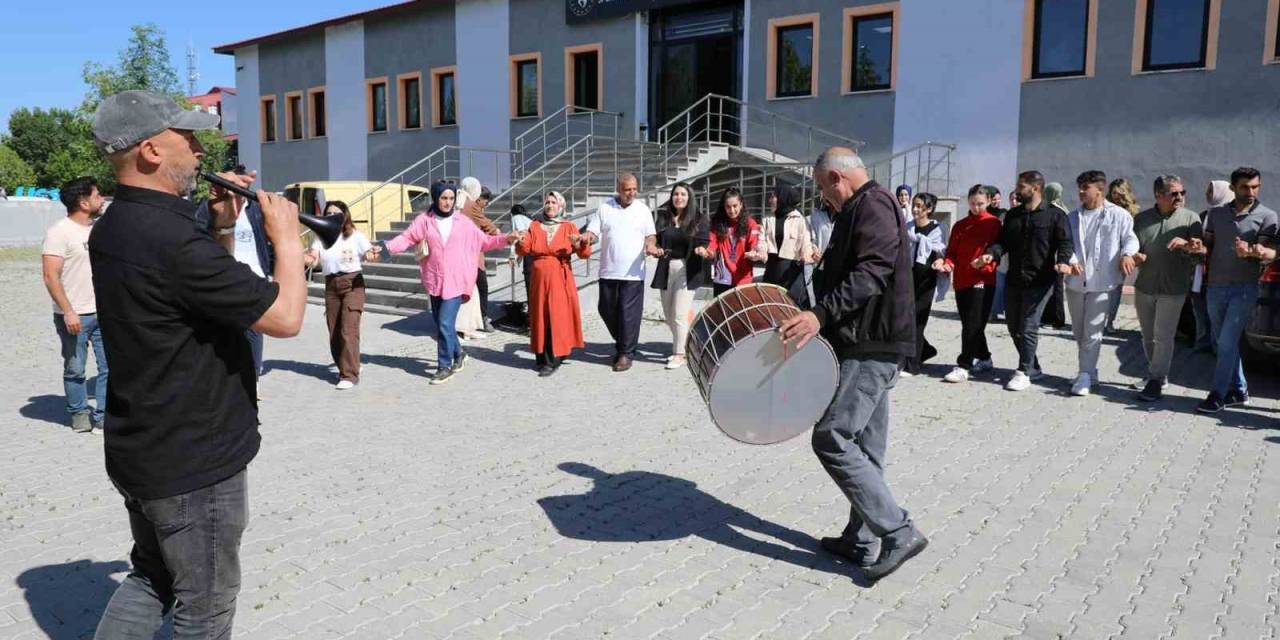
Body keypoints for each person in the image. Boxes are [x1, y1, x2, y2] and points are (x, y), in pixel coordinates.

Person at [87, 90, 306, 638]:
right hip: (195, 463)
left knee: (150, 579)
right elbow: (283, 318)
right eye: (187, 138)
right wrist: (287, 240)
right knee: (204, 607)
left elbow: (199, 300)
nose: (201, 152)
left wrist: (225, 231)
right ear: (151, 151)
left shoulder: (116, 225)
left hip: (146, 448)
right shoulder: (173, 239)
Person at [779, 146, 926, 582]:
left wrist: (820, 314)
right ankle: (860, 538)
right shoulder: (865, 206)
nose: (827, 200)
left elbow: (871, 272)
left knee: (832, 437)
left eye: (825, 190)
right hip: (869, 342)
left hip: (871, 344)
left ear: (838, 179)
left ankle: (898, 531)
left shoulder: (873, 205)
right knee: (866, 447)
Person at [371, 181, 518, 385]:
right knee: (442, 323)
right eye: (443, 198)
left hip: (457, 281)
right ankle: (459, 354)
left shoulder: (463, 221)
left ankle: (444, 366)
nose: (448, 202)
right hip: (435, 280)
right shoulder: (424, 220)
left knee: (445, 323)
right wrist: (385, 248)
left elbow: (483, 241)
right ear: (436, 198)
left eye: (451, 198)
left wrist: (506, 239)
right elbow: (406, 238)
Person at [1187, 167, 1277, 414]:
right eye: (1245, 187)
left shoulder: (1268, 216)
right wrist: (1197, 247)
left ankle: (1218, 394)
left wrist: (1253, 252)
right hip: (1215, 287)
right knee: (1222, 342)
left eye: (1255, 187)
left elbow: (1268, 253)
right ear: (1233, 188)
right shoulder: (1216, 215)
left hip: (1244, 288)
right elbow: (1208, 248)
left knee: (1226, 341)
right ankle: (1239, 390)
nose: (1251, 191)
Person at [975, 171, 1073, 391]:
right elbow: (1003, 243)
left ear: (1035, 188)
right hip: (1014, 279)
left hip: (1041, 280)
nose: (1017, 190)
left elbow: (1065, 243)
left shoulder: (1055, 215)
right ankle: (1034, 366)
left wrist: (1064, 262)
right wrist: (992, 253)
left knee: (1028, 326)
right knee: (1014, 327)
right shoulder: (1013, 215)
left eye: (1021, 187)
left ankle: (1024, 371)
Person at [1061, 171, 1139, 397]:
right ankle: (1090, 370)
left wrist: (1127, 254)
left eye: (1086, 187)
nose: (1081, 192)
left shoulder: (1120, 215)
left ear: (1100, 189)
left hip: (1103, 282)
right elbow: (1065, 244)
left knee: (1093, 331)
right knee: (1079, 331)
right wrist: (1072, 261)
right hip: (1076, 282)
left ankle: (1084, 375)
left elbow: (1130, 239)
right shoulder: (1072, 217)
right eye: (1080, 187)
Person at [194, 168, 274, 382]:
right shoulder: (208, 208)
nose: (238, 193)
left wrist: (270, 270)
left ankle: (253, 375)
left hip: (255, 277)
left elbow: (266, 241)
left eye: (242, 188)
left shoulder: (255, 209)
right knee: (230, 332)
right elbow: (201, 236)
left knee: (256, 332)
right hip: (227, 278)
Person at [42, 176, 108, 433]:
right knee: (75, 368)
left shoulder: (98, 229)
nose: (101, 199)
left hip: (103, 312)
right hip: (74, 315)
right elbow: (50, 276)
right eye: (97, 195)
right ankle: (79, 413)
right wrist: (68, 311)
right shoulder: (59, 233)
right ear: (83, 202)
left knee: (109, 367)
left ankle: (103, 416)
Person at [1130, 175, 1202, 402]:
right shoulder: (1141, 219)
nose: (1180, 197)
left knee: (1164, 336)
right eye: (1174, 193)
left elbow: (1200, 255)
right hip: (1144, 287)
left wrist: (1190, 246)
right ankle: (1158, 375)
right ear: (1159, 196)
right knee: (1148, 336)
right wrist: (1135, 256)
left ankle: (1155, 379)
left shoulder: (1191, 219)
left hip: (1174, 289)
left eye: (1183, 192)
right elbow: (1132, 248)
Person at [583, 174, 660, 372]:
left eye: (634, 189)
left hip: (633, 274)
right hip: (608, 270)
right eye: (627, 189)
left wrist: (650, 246)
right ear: (619, 188)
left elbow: (650, 235)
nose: (632, 193)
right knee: (606, 309)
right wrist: (586, 238)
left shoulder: (643, 210)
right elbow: (593, 232)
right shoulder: (605, 207)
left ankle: (625, 353)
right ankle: (626, 342)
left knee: (628, 315)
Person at [517, 191, 591, 376]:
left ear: (561, 206)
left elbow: (584, 254)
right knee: (540, 315)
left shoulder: (568, 226)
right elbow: (524, 249)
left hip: (559, 276)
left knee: (556, 316)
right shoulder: (535, 225)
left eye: (554, 202)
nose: (550, 205)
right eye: (547, 202)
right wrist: (520, 240)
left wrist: (579, 243)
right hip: (539, 278)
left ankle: (554, 357)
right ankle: (541, 357)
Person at [303, 201, 374, 390]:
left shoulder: (355, 236)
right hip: (331, 285)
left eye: (337, 212)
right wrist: (301, 256)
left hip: (353, 283)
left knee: (348, 330)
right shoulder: (320, 237)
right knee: (334, 330)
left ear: (345, 215)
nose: (332, 215)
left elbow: (369, 253)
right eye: (329, 213)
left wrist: (372, 254)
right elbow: (313, 258)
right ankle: (346, 364)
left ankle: (349, 375)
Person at [935, 185, 1002, 383]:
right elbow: (952, 252)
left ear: (989, 201)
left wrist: (986, 263)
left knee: (972, 324)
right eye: (972, 203)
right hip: (962, 280)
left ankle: (964, 365)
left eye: (980, 204)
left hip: (983, 280)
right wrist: (947, 264)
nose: (976, 207)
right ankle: (985, 358)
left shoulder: (994, 224)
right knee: (971, 324)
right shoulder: (960, 225)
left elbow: (997, 249)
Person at [651, 182, 710, 370]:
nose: (679, 197)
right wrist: (655, 249)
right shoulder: (664, 217)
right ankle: (691, 341)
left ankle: (680, 354)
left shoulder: (699, 219)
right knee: (669, 315)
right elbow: (656, 240)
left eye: (683, 194)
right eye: (676, 194)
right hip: (666, 267)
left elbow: (704, 241)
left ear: (689, 197)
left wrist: (702, 249)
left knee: (679, 313)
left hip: (687, 267)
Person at [903, 192, 945, 376]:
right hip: (908, 279)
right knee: (905, 320)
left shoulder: (937, 231)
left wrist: (940, 262)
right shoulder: (907, 228)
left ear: (929, 209)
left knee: (918, 321)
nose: (915, 209)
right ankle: (926, 350)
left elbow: (941, 252)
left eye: (920, 206)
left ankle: (913, 366)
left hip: (926, 281)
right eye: (914, 205)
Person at [696, 187, 763, 296]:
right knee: (720, 313)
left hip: (743, 280)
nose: (732, 210)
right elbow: (712, 246)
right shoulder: (717, 223)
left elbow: (754, 245)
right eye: (728, 207)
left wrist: (754, 253)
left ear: (741, 204)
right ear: (724, 207)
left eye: (735, 206)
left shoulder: (750, 224)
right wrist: (705, 251)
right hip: (722, 279)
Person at [1191, 181, 1234, 353]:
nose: (1207, 194)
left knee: (1217, 313)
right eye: (1208, 190)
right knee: (1199, 307)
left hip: (1220, 272)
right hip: (1200, 270)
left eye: (1211, 191)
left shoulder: (1229, 216)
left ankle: (1218, 347)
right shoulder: (1203, 215)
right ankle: (1202, 342)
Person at [759, 184, 815, 308]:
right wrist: (761, 251)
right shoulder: (767, 218)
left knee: (789, 306)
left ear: (782, 198)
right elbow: (761, 240)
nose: (769, 200)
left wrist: (807, 254)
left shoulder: (800, 220)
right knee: (769, 306)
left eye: (773, 196)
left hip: (790, 270)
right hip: (771, 268)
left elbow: (806, 243)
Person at [459, 178, 497, 332]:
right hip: (472, 256)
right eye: (485, 201)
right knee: (482, 287)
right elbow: (489, 227)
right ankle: (483, 318)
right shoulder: (471, 205)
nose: (485, 204)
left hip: (457, 254)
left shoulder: (458, 202)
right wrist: (498, 233)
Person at [1040, 182, 1070, 330]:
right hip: (1051, 255)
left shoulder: (1058, 212)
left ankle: (1057, 319)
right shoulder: (1060, 209)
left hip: (1056, 256)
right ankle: (1048, 317)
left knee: (1056, 289)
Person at [984, 185, 1009, 321]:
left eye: (998, 199)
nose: (996, 202)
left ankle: (996, 310)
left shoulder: (1004, 213)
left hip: (999, 252)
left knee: (998, 284)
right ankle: (988, 311)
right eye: (994, 199)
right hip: (985, 252)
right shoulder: (983, 213)